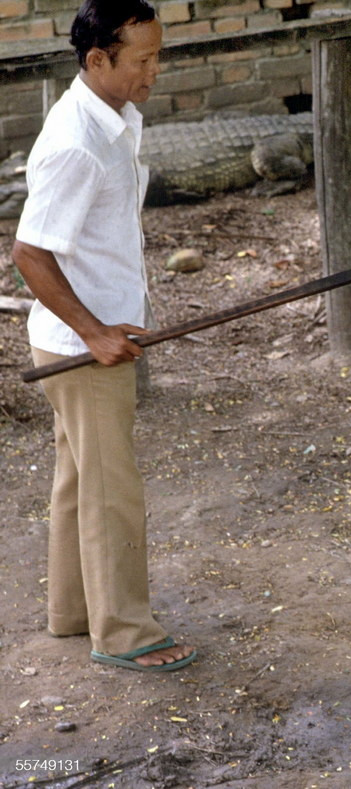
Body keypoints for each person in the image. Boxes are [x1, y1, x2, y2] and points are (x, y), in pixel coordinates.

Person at [11, 0, 195, 671]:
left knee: (79, 480)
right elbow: (30, 252)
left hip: (82, 338)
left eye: (156, 54)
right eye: (142, 59)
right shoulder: (75, 144)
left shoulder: (111, 119)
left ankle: (74, 611)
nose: (154, 70)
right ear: (97, 61)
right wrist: (93, 333)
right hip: (80, 346)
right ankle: (125, 632)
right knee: (112, 488)